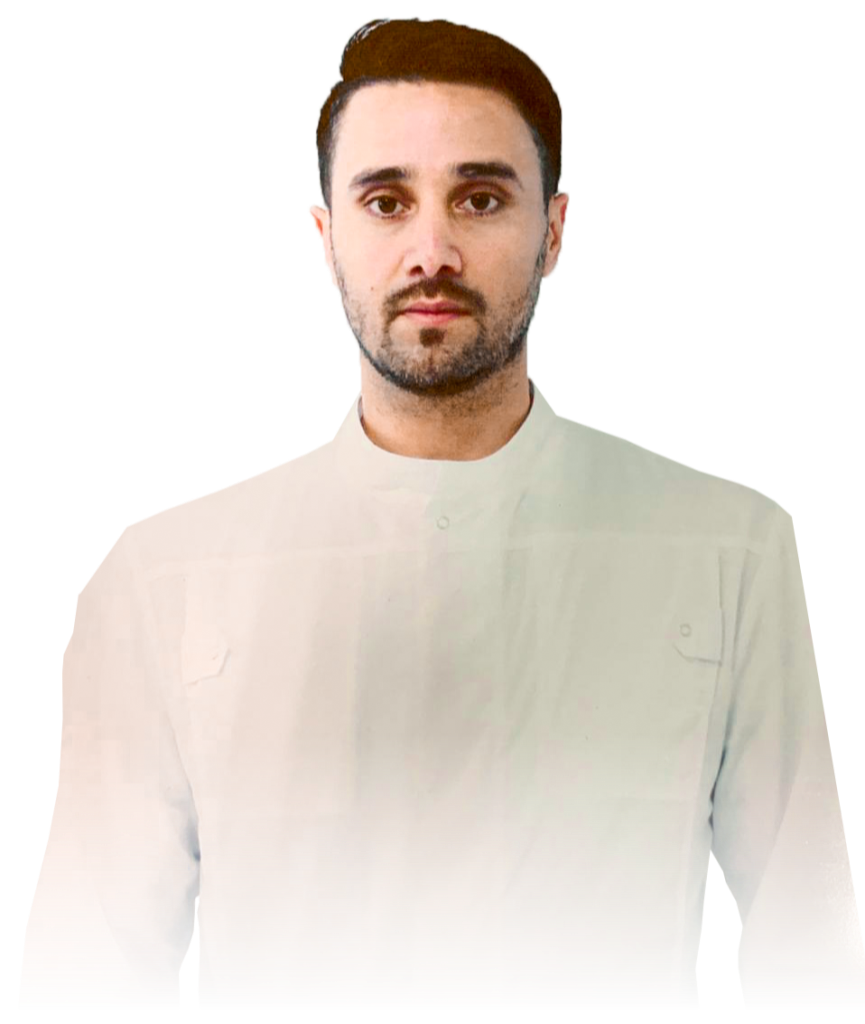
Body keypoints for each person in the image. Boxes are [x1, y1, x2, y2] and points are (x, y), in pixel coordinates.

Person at [20, 17, 863, 1009]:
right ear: (327, 240)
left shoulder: (726, 547)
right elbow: (91, 973)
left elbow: (807, 953)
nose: (432, 251)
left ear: (554, 231)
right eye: (386, 202)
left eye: (480, 198)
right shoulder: (164, 577)